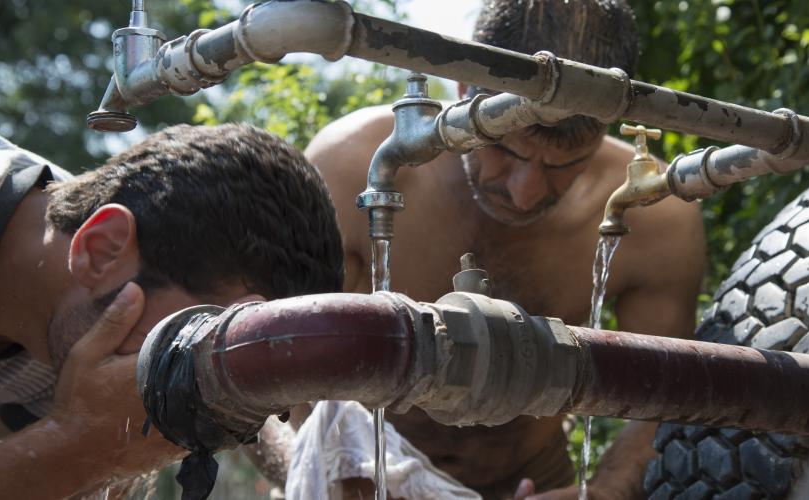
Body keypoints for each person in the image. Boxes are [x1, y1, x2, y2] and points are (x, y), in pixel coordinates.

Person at [264, 1, 706, 498]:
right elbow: (263, 367)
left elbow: (667, 395)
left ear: (608, 127)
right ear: (460, 90)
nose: (526, 191)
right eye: (504, 149)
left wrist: (605, 492)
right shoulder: (349, 166)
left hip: (538, 484)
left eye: (566, 164)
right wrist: (317, 467)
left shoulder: (655, 217)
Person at [0, 91, 344, 499]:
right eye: (182, 347)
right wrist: (79, 445)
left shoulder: (74, 312)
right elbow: (58, 457)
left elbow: (16, 480)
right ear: (100, 250)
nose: (181, 393)